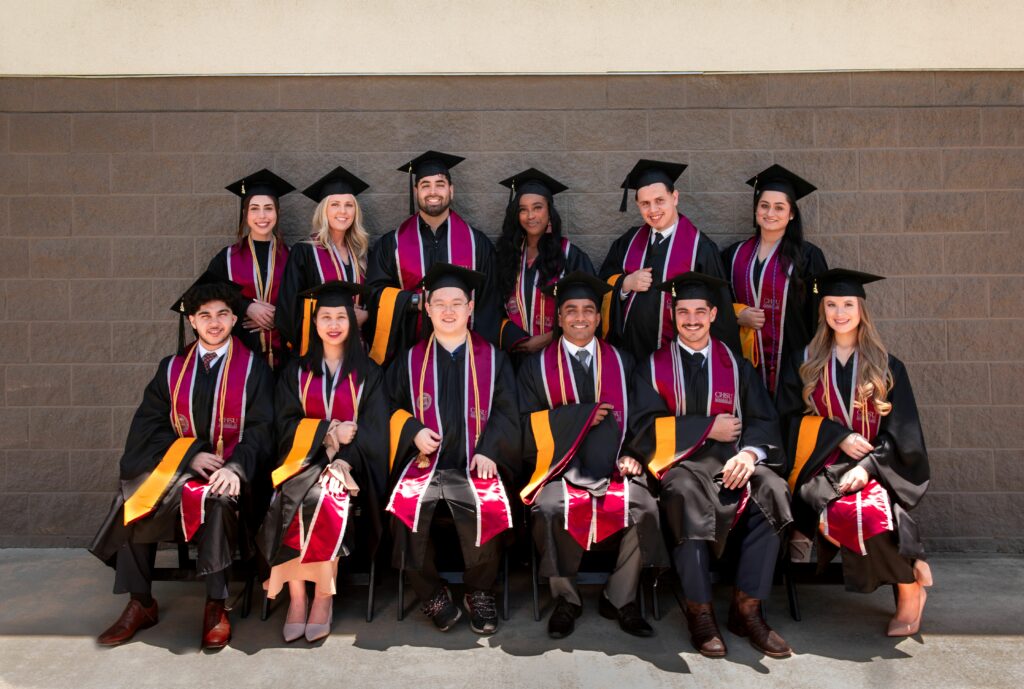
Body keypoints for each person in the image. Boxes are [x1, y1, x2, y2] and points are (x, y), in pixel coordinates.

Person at [89, 274, 274, 650]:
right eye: (204, 315)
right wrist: (190, 456)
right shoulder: (171, 369)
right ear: (191, 320)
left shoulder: (254, 369)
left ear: (235, 319)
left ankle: (216, 603)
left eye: (223, 314)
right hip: (180, 472)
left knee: (220, 502)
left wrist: (234, 468)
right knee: (132, 500)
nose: (215, 322)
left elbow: (262, 430)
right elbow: (147, 430)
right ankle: (140, 602)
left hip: (231, 475)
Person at [632, 271, 792, 659]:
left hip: (735, 463)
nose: (691, 320)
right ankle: (699, 611)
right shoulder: (652, 368)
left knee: (773, 489)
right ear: (673, 315)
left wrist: (750, 454)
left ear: (713, 313)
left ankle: (747, 610)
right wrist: (707, 428)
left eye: (699, 312)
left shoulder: (737, 366)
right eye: (683, 312)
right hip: (682, 466)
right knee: (683, 495)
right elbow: (642, 428)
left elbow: (762, 419)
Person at [776, 268, 932, 637]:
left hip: (875, 468)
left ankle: (909, 593)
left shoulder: (888, 366)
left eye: (847, 303)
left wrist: (868, 466)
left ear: (861, 308)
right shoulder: (804, 360)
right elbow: (786, 419)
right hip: (818, 467)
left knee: (873, 511)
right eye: (831, 304)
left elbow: (903, 434)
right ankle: (911, 568)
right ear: (822, 310)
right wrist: (838, 436)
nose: (839, 312)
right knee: (848, 512)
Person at [517, 271, 667, 639]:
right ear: (559, 317)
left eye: (588, 310)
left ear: (599, 318)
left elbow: (649, 416)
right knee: (548, 509)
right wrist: (578, 417)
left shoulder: (621, 360)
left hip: (615, 469)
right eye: (571, 310)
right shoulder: (535, 366)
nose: (580, 318)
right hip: (558, 471)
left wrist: (634, 452)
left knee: (645, 508)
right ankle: (566, 598)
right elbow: (521, 426)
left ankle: (620, 597)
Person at [385, 263, 520, 635]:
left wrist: (491, 448)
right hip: (425, 465)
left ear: (470, 307)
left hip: (475, 464)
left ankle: (479, 591)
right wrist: (411, 430)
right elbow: (385, 407)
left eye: (456, 303)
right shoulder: (410, 360)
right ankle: (431, 592)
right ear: (426, 308)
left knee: (485, 503)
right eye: (439, 302)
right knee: (403, 511)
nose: (448, 310)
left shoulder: (493, 359)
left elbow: (511, 411)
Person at [258, 281, 388, 643]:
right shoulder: (295, 372)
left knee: (322, 497)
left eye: (341, 317)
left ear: (353, 322)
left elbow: (377, 432)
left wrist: (343, 460)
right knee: (292, 493)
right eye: (326, 317)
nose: (334, 324)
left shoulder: (370, 374)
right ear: (314, 324)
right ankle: (297, 597)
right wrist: (328, 432)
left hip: (349, 467)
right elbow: (282, 426)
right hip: (300, 462)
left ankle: (323, 596)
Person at [365, 151, 501, 364]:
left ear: (451, 190)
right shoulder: (392, 244)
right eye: (425, 185)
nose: (433, 191)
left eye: (440, 184)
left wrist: (480, 358)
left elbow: (490, 304)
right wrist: (413, 301)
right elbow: (375, 295)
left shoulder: (478, 245)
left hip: (465, 358)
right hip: (408, 356)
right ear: (416, 190)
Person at [600, 159, 740, 360]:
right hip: (629, 355)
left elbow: (720, 313)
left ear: (674, 197)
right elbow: (602, 283)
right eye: (645, 204)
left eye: (660, 200)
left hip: (678, 361)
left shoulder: (700, 249)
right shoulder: (628, 241)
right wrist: (625, 284)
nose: (653, 210)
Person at [722, 165, 828, 399]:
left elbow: (818, 315)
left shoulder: (808, 257)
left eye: (779, 207)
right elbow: (716, 301)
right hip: (744, 361)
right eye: (764, 206)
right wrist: (737, 314)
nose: (770, 213)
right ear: (756, 210)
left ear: (791, 214)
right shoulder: (733, 255)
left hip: (793, 362)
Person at [494, 168, 596, 357]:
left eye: (537, 207)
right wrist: (514, 338)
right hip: (514, 354)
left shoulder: (571, 256)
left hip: (558, 353)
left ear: (550, 212)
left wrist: (549, 337)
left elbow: (590, 307)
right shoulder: (507, 255)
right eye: (523, 210)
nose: (530, 216)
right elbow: (492, 305)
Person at [276, 166, 373, 357]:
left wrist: (367, 315)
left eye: (349, 205)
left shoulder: (362, 253)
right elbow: (288, 309)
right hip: (317, 351)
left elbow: (375, 298)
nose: (343, 211)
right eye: (335, 204)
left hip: (357, 350)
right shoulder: (304, 252)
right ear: (323, 210)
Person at [205, 168, 295, 370]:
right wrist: (246, 307)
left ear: (277, 212)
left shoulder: (293, 256)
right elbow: (205, 296)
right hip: (239, 358)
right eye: (254, 208)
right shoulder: (227, 258)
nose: (262, 216)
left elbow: (305, 301)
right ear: (245, 214)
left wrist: (278, 317)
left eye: (268, 208)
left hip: (286, 360)